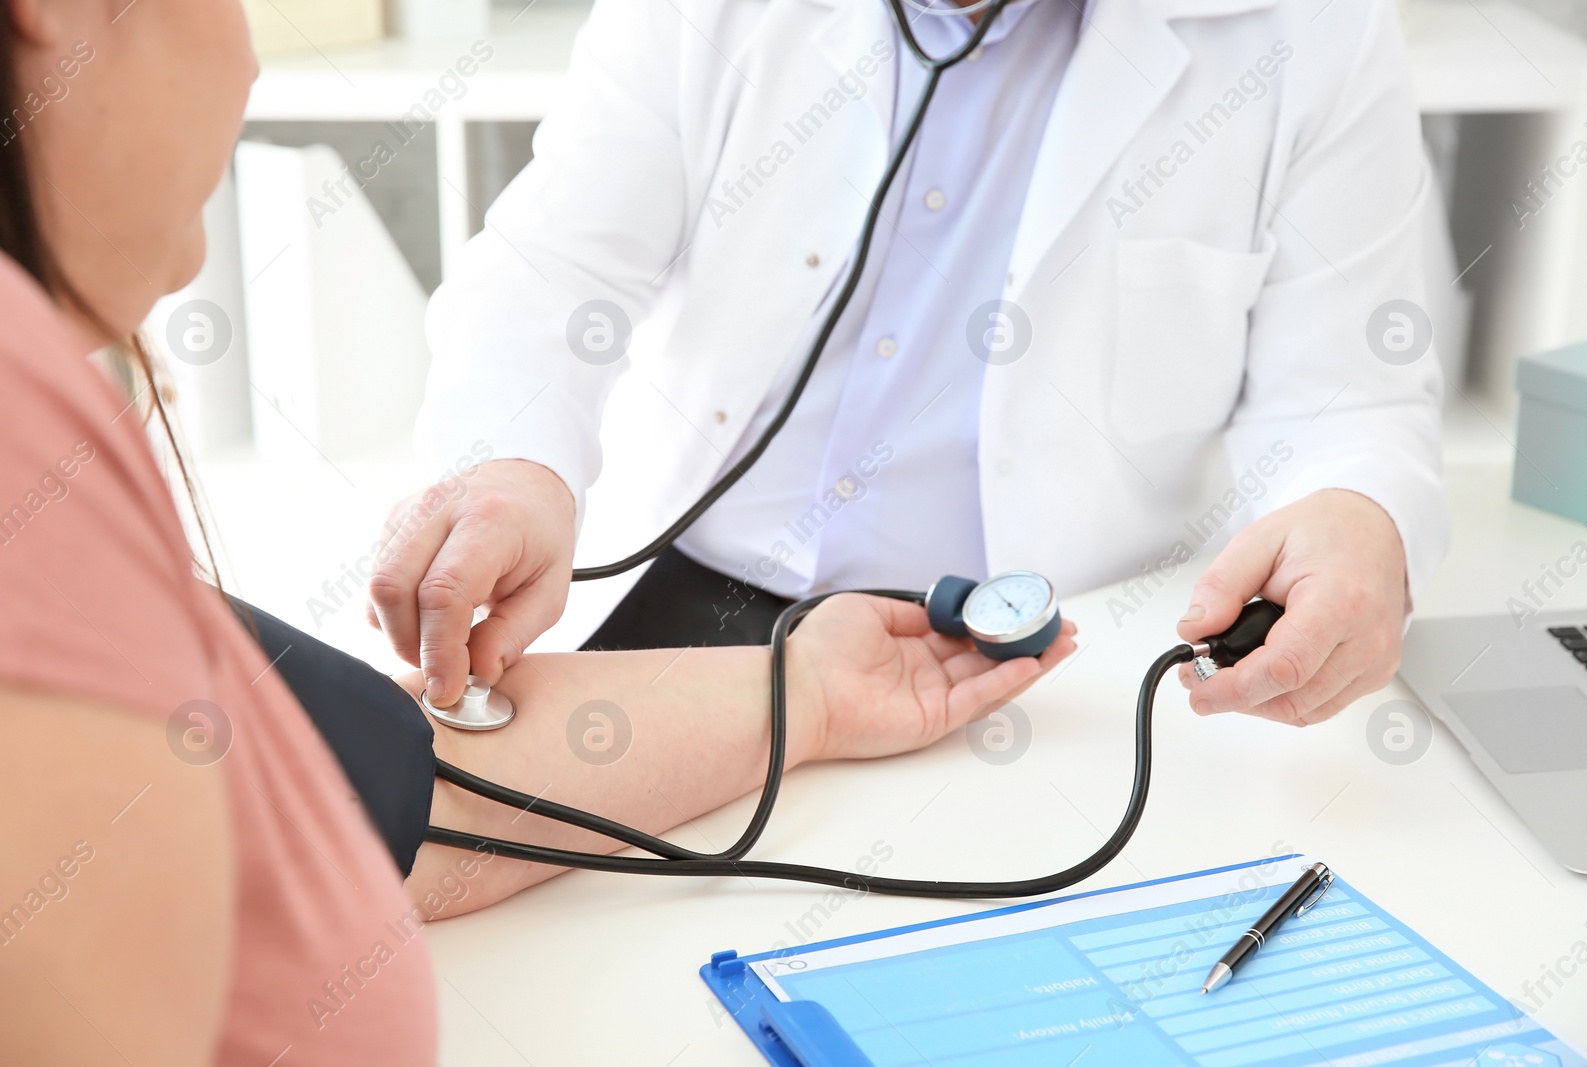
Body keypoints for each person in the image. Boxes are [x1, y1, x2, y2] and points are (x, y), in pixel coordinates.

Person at [0, 0, 1074, 1063]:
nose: (248, 65)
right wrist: (516, 460)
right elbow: (556, 260)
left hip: (1006, 652)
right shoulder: (24, 421)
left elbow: (404, 797)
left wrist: (818, 691)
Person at [374, 0, 1450, 731]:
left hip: (1067, 638)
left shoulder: (1310, 30)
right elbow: (553, 270)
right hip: (698, 593)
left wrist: (1360, 512)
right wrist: (513, 461)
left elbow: (1353, 393)